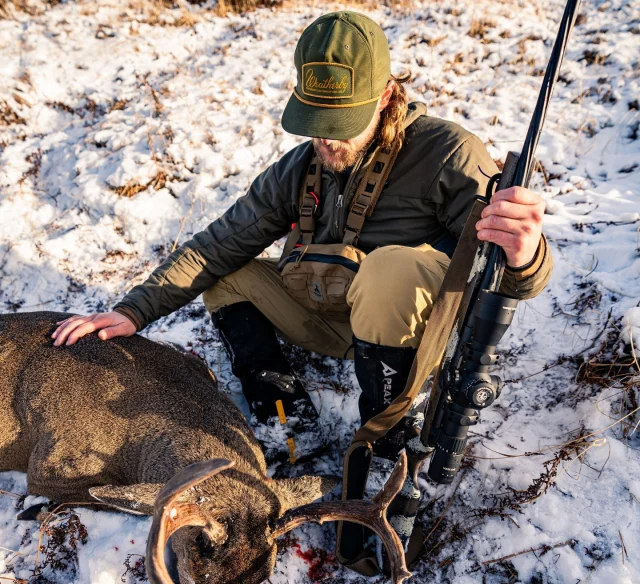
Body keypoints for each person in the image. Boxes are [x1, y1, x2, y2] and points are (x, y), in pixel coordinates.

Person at [53, 11, 551, 485]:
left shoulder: (448, 152)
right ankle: (287, 424)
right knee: (227, 274)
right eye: (316, 123)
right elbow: (217, 245)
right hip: (333, 311)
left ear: (386, 96)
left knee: (389, 269)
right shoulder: (298, 168)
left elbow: (505, 275)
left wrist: (525, 253)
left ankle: (389, 434)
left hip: (417, 330)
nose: (327, 142)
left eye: (342, 124)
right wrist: (133, 311)